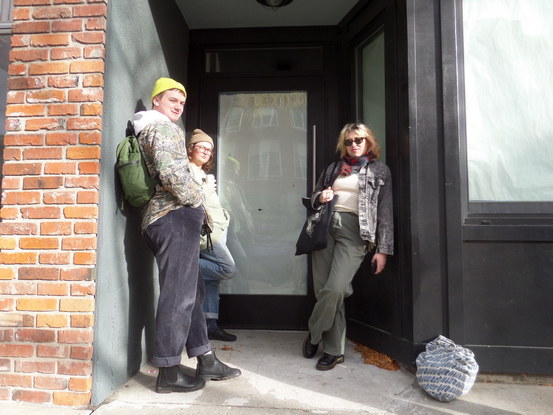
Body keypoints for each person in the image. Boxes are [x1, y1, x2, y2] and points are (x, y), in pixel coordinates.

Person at [131, 77, 241, 393]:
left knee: (191, 294)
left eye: (181, 101)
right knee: (178, 296)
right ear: (156, 101)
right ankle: (167, 371)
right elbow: (170, 173)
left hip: (171, 219)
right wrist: (196, 196)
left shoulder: (157, 127)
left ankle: (206, 359)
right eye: (171, 99)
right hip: (173, 218)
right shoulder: (162, 128)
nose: (178, 105)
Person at [302, 122, 394, 371]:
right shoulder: (333, 168)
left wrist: (383, 249)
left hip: (355, 233)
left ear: (369, 142)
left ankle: (314, 334)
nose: (354, 145)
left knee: (335, 289)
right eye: (349, 141)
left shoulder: (379, 171)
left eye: (359, 140)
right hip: (324, 229)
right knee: (325, 291)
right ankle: (334, 351)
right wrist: (321, 197)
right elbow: (312, 199)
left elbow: (385, 212)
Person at [186, 129, 238, 342]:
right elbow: (191, 199)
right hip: (208, 234)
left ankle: (210, 325)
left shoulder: (201, 171)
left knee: (211, 282)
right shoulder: (187, 169)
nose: (207, 151)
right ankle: (187, 266)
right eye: (202, 147)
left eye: (209, 149)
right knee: (227, 269)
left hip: (217, 229)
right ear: (191, 148)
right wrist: (206, 186)